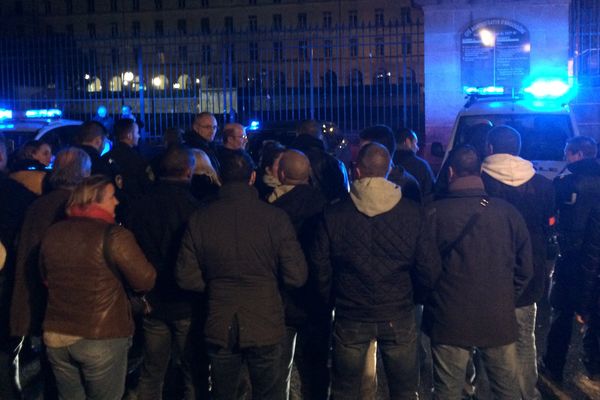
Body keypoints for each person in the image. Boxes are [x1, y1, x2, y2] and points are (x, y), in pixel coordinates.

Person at [311, 143, 441, 399]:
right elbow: (429, 267)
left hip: (350, 311)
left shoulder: (334, 212)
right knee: (404, 390)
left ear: (357, 171)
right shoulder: (413, 213)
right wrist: (415, 297)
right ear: (389, 170)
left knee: (344, 390)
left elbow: (319, 265)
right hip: (398, 310)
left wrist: (331, 299)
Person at [176, 150, 308, 400]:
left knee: (224, 392)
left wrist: (216, 285)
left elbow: (185, 276)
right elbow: (296, 275)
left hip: (220, 318)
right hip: (265, 318)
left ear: (220, 178)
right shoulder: (275, 218)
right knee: (269, 392)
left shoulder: (201, 218)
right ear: (252, 177)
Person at [424, 145, 533, 400]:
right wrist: (507, 296)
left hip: (449, 316)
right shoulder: (507, 212)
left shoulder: (433, 213)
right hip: (497, 315)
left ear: (450, 172)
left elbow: (424, 269)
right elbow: (525, 268)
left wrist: (434, 298)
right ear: (480, 172)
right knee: (506, 388)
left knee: (447, 391)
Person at [40, 175, 156, 400]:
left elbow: (45, 277)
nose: (117, 202)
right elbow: (145, 279)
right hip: (101, 335)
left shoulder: (53, 233)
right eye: (111, 197)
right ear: (95, 200)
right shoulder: (114, 236)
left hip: (57, 335)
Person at [480, 125, 555, 399]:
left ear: (489, 148)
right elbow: (548, 228)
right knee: (525, 336)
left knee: (489, 341)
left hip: (489, 271)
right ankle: (527, 391)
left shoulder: (480, 181)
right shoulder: (544, 185)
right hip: (530, 270)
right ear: (518, 149)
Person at [130, 146, 209, 399]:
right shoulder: (195, 208)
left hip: (152, 299)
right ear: (189, 171)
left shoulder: (138, 206)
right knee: (193, 370)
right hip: (186, 301)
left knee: (152, 370)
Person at [268, 149, 329, 400]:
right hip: (316, 298)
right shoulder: (326, 205)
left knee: (279, 369)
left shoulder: (272, 210)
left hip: (281, 298)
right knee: (316, 370)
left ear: (281, 174)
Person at [542, 136, 600, 383]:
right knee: (594, 313)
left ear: (577, 154)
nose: (566, 157)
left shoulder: (568, 181)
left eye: (567, 152)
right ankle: (593, 366)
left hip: (571, 256)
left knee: (561, 314)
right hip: (595, 257)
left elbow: (550, 213)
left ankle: (553, 366)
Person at [102, 118, 154, 223]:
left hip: (110, 209)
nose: (139, 136)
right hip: (134, 212)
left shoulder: (106, 158)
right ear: (129, 136)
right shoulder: (138, 159)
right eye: (137, 133)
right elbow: (148, 186)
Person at [359, 125, 422, 204]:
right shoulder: (359, 183)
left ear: (382, 152)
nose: (359, 155)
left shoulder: (408, 186)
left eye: (364, 150)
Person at [290, 119, 349, 203]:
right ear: (320, 135)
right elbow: (341, 195)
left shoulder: (286, 158)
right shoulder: (331, 161)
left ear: (297, 133)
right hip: (324, 212)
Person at [393, 128, 435, 204]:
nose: (417, 148)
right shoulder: (421, 166)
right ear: (408, 142)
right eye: (416, 143)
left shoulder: (386, 164)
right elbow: (429, 193)